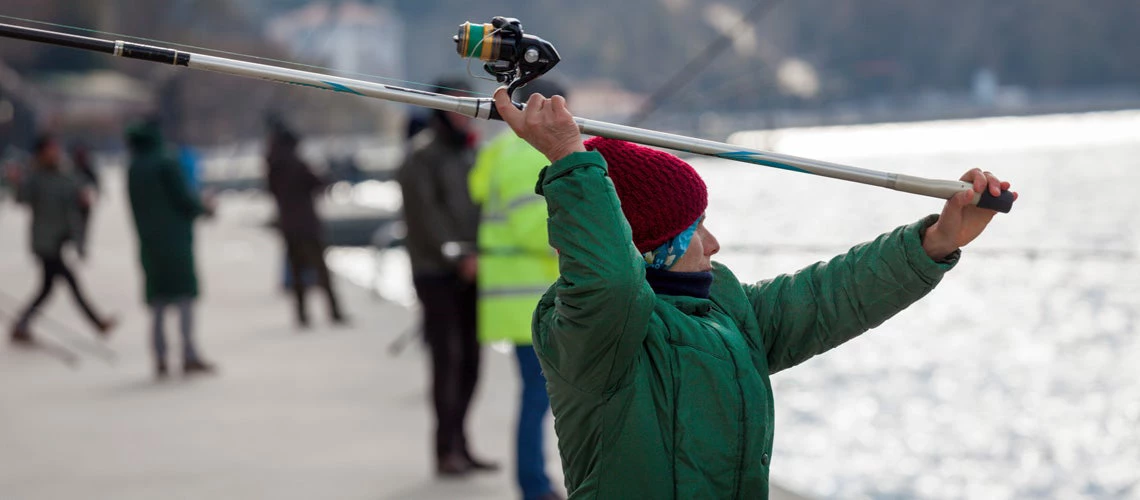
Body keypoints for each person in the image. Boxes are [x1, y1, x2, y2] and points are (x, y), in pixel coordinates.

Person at [492, 88, 1016, 499]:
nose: (714, 243)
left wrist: (933, 243)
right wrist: (569, 158)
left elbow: (828, 296)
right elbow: (607, 278)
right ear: (651, 249)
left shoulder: (724, 309)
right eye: (695, 229)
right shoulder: (589, 332)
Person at [468, 80, 567, 500]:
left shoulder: (498, 152)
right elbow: (538, 232)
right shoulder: (529, 156)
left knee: (534, 396)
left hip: (509, 298)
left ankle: (534, 481)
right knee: (538, 398)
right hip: (533, 300)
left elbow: (478, 193)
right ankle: (534, 485)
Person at [397, 78, 497, 477]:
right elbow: (425, 216)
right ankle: (444, 450)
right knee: (447, 360)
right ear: (438, 107)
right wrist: (458, 255)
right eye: (455, 103)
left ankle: (462, 442)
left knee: (473, 360)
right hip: (435, 273)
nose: (464, 110)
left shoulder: (471, 152)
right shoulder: (419, 155)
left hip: (474, 270)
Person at [125, 119, 216, 379]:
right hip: (175, 241)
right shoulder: (166, 162)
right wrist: (204, 208)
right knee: (185, 297)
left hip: (149, 243)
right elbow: (184, 199)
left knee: (158, 302)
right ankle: (188, 355)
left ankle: (160, 358)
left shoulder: (133, 167)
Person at [7, 134, 116, 344]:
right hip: (44, 241)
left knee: (46, 288)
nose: (55, 152)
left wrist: (83, 200)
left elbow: (76, 196)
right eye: (50, 149)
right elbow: (22, 198)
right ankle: (97, 322)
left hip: (59, 239)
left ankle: (21, 324)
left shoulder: (63, 173)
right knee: (69, 283)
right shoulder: (35, 177)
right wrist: (15, 182)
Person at [264, 118, 345, 328]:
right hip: (307, 224)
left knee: (297, 271)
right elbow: (318, 183)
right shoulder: (297, 164)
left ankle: (302, 316)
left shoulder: (273, 165)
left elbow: (271, 190)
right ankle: (334, 312)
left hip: (288, 224)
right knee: (321, 270)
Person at [70, 143, 99, 260]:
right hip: (74, 204)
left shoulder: (87, 169)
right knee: (77, 226)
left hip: (85, 204)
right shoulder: (72, 169)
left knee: (84, 227)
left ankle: (81, 246)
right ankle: (78, 245)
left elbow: (96, 183)